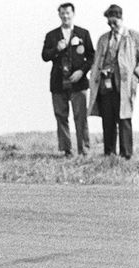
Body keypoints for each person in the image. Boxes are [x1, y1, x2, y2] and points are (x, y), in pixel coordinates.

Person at [87, 5, 139, 159]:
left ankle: (126, 154)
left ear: (121, 18)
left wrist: (136, 76)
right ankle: (109, 154)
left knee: (125, 118)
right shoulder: (103, 39)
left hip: (125, 85)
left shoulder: (135, 37)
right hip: (105, 86)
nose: (112, 26)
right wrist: (98, 73)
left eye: (115, 22)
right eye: (109, 23)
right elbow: (97, 60)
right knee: (108, 119)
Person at [41, 3, 95, 157]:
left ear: (73, 14)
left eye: (68, 13)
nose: (65, 16)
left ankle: (84, 150)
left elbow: (92, 56)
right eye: (62, 13)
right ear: (59, 14)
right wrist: (56, 49)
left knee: (81, 117)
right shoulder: (51, 35)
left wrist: (82, 71)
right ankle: (66, 151)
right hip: (58, 83)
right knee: (61, 116)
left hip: (79, 83)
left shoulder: (83, 33)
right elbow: (44, 56)